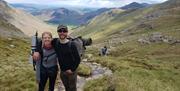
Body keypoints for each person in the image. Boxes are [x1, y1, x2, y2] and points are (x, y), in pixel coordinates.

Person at [34, 25, 81, 91]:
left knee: (72, 88)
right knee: (67, 87)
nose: (62, 32)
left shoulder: (72, 44)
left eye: (64, 31)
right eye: (60, 31)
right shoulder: (56, 42)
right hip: (62, 71)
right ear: (58, 32)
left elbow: (78, 59)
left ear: (67, 32)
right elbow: (43, 41)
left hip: (71, 72)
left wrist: (72, 69)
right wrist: (37, 51)